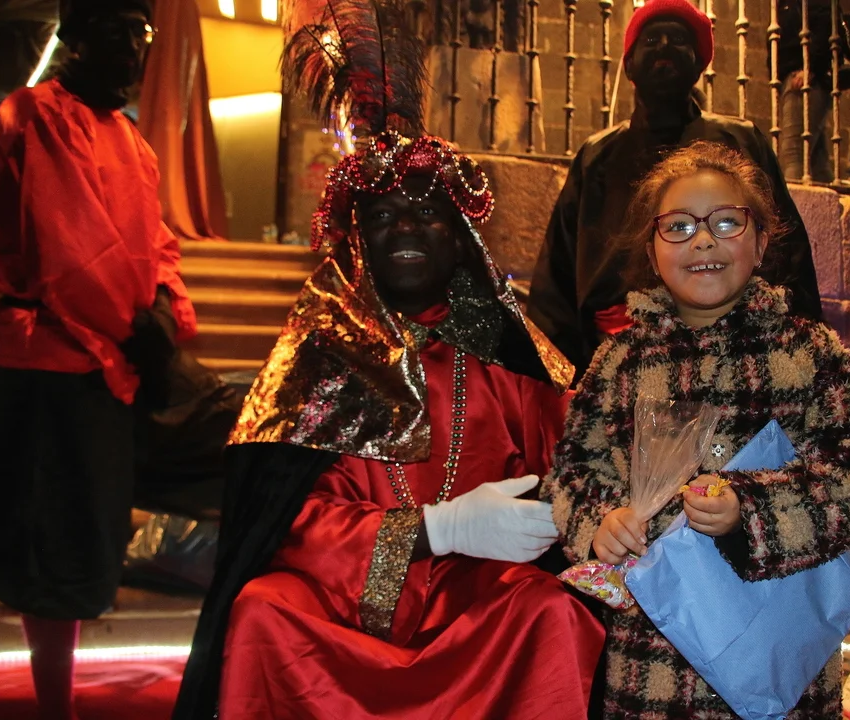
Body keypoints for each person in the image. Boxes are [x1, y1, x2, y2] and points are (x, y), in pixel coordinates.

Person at [173, 1, 604, 717]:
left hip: (474, 600)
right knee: (261, 611)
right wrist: (437, 528)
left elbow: (583, 470)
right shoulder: (316, 364)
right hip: (340, 606)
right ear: (356, 241)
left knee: (548, 609)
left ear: (459, 238)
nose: (404, 227)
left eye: (427, 212)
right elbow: (287, 521)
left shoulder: (511, 365)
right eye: (381, 215)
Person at [541, 141, 850, 719]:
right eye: (678, 226)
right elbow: (570, 473)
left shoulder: (808, 353)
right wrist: (599, 524)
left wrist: (750, 509)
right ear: (653, 251)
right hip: (651, 669)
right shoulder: (620, 361)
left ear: (761, 244)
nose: (703, 240)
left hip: (781, 660)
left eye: (727, 222)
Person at [0, 1, 196, 719]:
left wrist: (165, 307)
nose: (132, 48)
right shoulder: (36, 114)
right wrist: (137, 330)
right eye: (114, 32)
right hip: (54, 358)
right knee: (52, 541)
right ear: (73, 40)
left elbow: (156, 241)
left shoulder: (128, 136)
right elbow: (71, 247)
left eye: (140, 33)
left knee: (83, 534)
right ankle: (54, 705)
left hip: (110, 357)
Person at [528, 0, 822, 380]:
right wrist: (560, 378)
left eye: (678, 39)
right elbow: (558, 276)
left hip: (733, 358)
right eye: (652, 39)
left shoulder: (742, 142)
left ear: (699, 64)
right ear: (629, 65)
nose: (665, 46)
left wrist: (799, 352)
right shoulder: (595, 158)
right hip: (615, 363)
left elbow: (788, 253)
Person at [773, 0, 850, 183]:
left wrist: (810, 67)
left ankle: (793, 201)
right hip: (797, 78)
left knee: (793, 152)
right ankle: (827, 198)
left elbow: (826, 24)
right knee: (816, 162)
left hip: (803, 80)